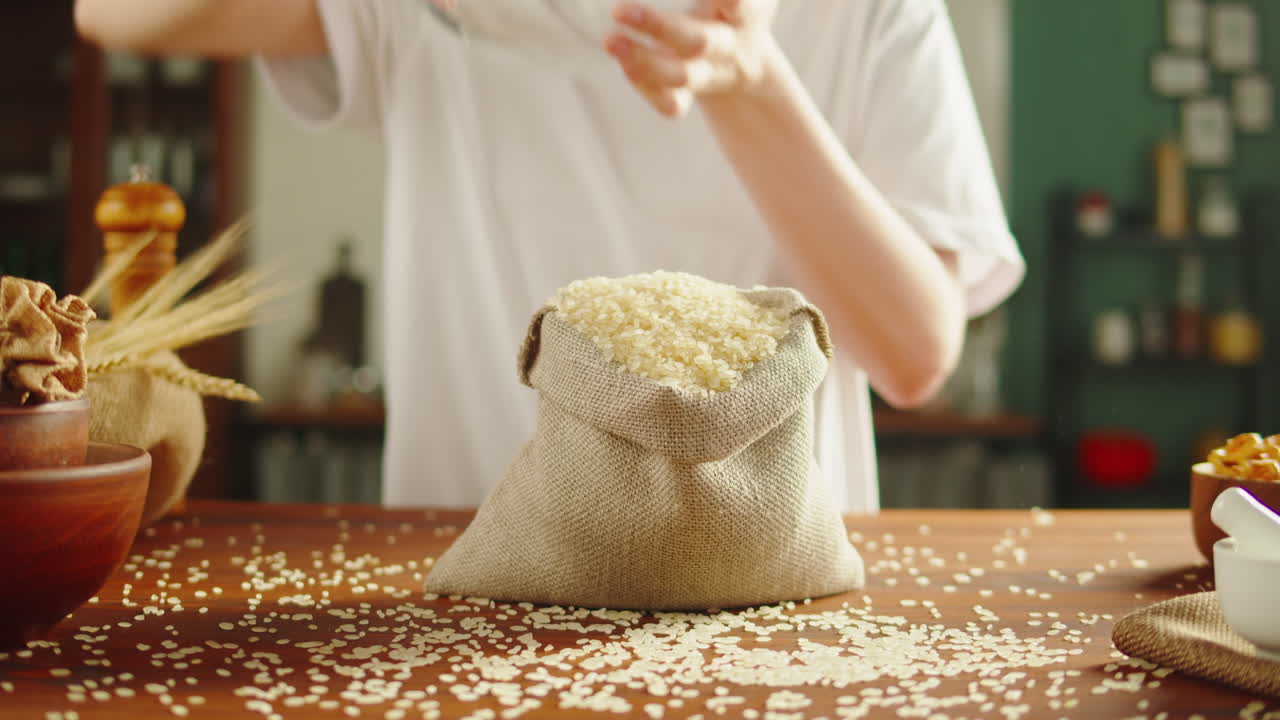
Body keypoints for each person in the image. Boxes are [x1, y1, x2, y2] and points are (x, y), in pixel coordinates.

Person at [74, 0, 1024, 512]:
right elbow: (123, 14)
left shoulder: (873, 15)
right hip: (466, 583)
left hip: (776, 593)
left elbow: (917, 353)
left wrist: (751, 85)